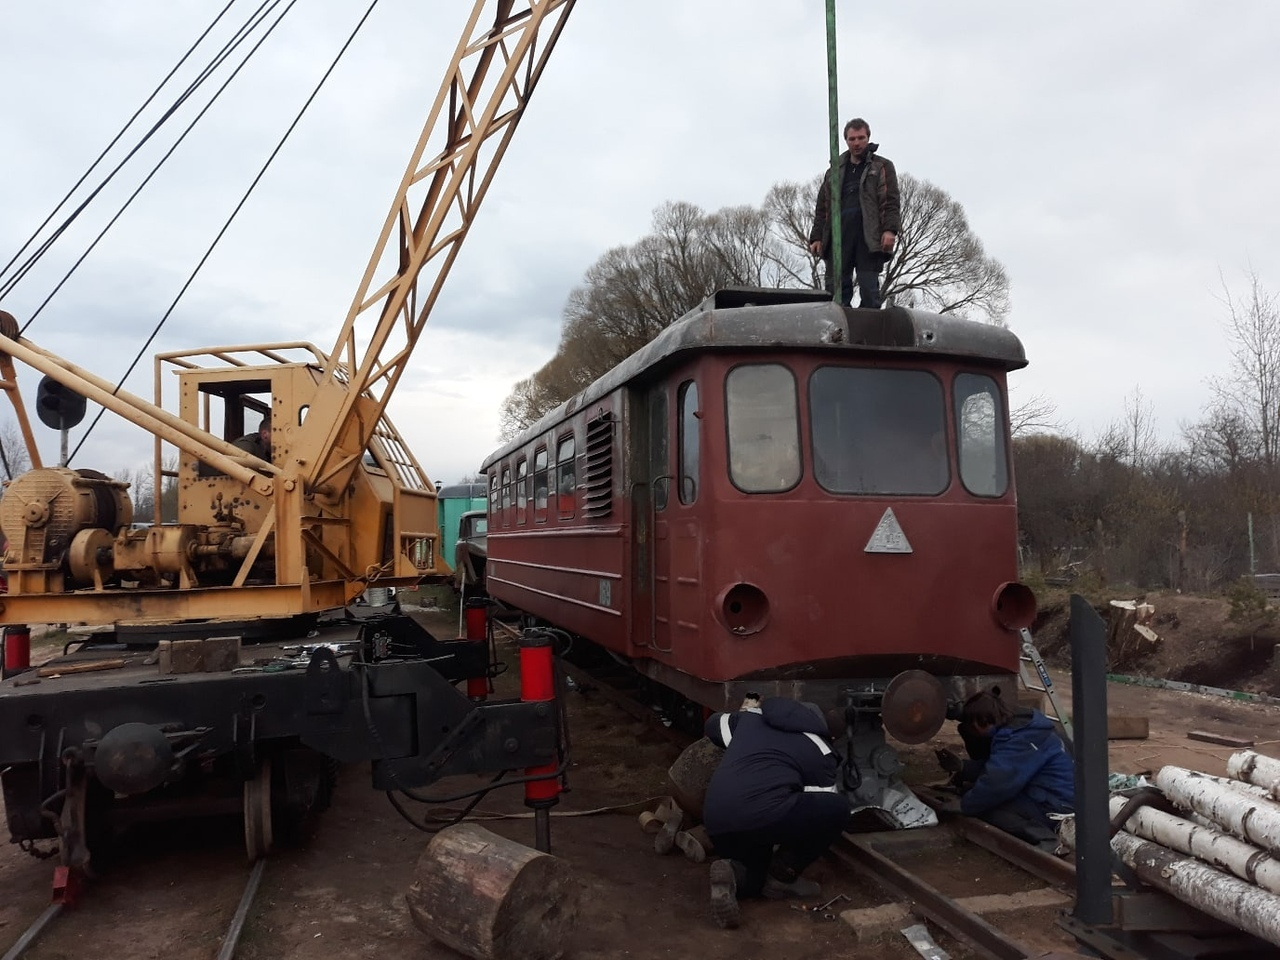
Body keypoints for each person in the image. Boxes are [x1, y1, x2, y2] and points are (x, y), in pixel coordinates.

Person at [702, 697, 849, 929]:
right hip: (762, 818)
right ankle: (783, 876)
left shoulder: (751, 719)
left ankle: (733, 874)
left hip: (717, 821)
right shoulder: (820, 747)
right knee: (837, 808)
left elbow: (712, 725)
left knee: (756, 877)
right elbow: (822, 807)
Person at [939, 687, 1073, 852]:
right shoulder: (1022, 727)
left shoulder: (1018, 740)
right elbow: (1000, 769)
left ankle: (1047, 839)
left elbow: (998, 785)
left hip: (1058, 805)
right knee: (976, 794)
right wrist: (963, 767)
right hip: (1053, 794)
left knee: (989, 807)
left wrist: (965, 806)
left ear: (980, 722)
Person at [808, 118, 901, 309]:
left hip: (868, 235)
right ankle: (839, 332)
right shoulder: (834, 170)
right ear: (846, 140)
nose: (856, 143)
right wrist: (816, 237)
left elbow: (891, 201)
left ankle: (870, 332)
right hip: (839, 234)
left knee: (868, 288)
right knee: (836, 291)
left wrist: (890, 230)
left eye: (861, 138)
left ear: (868, 138)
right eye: (852, 139)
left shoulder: (882, 166)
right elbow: (822, 207)